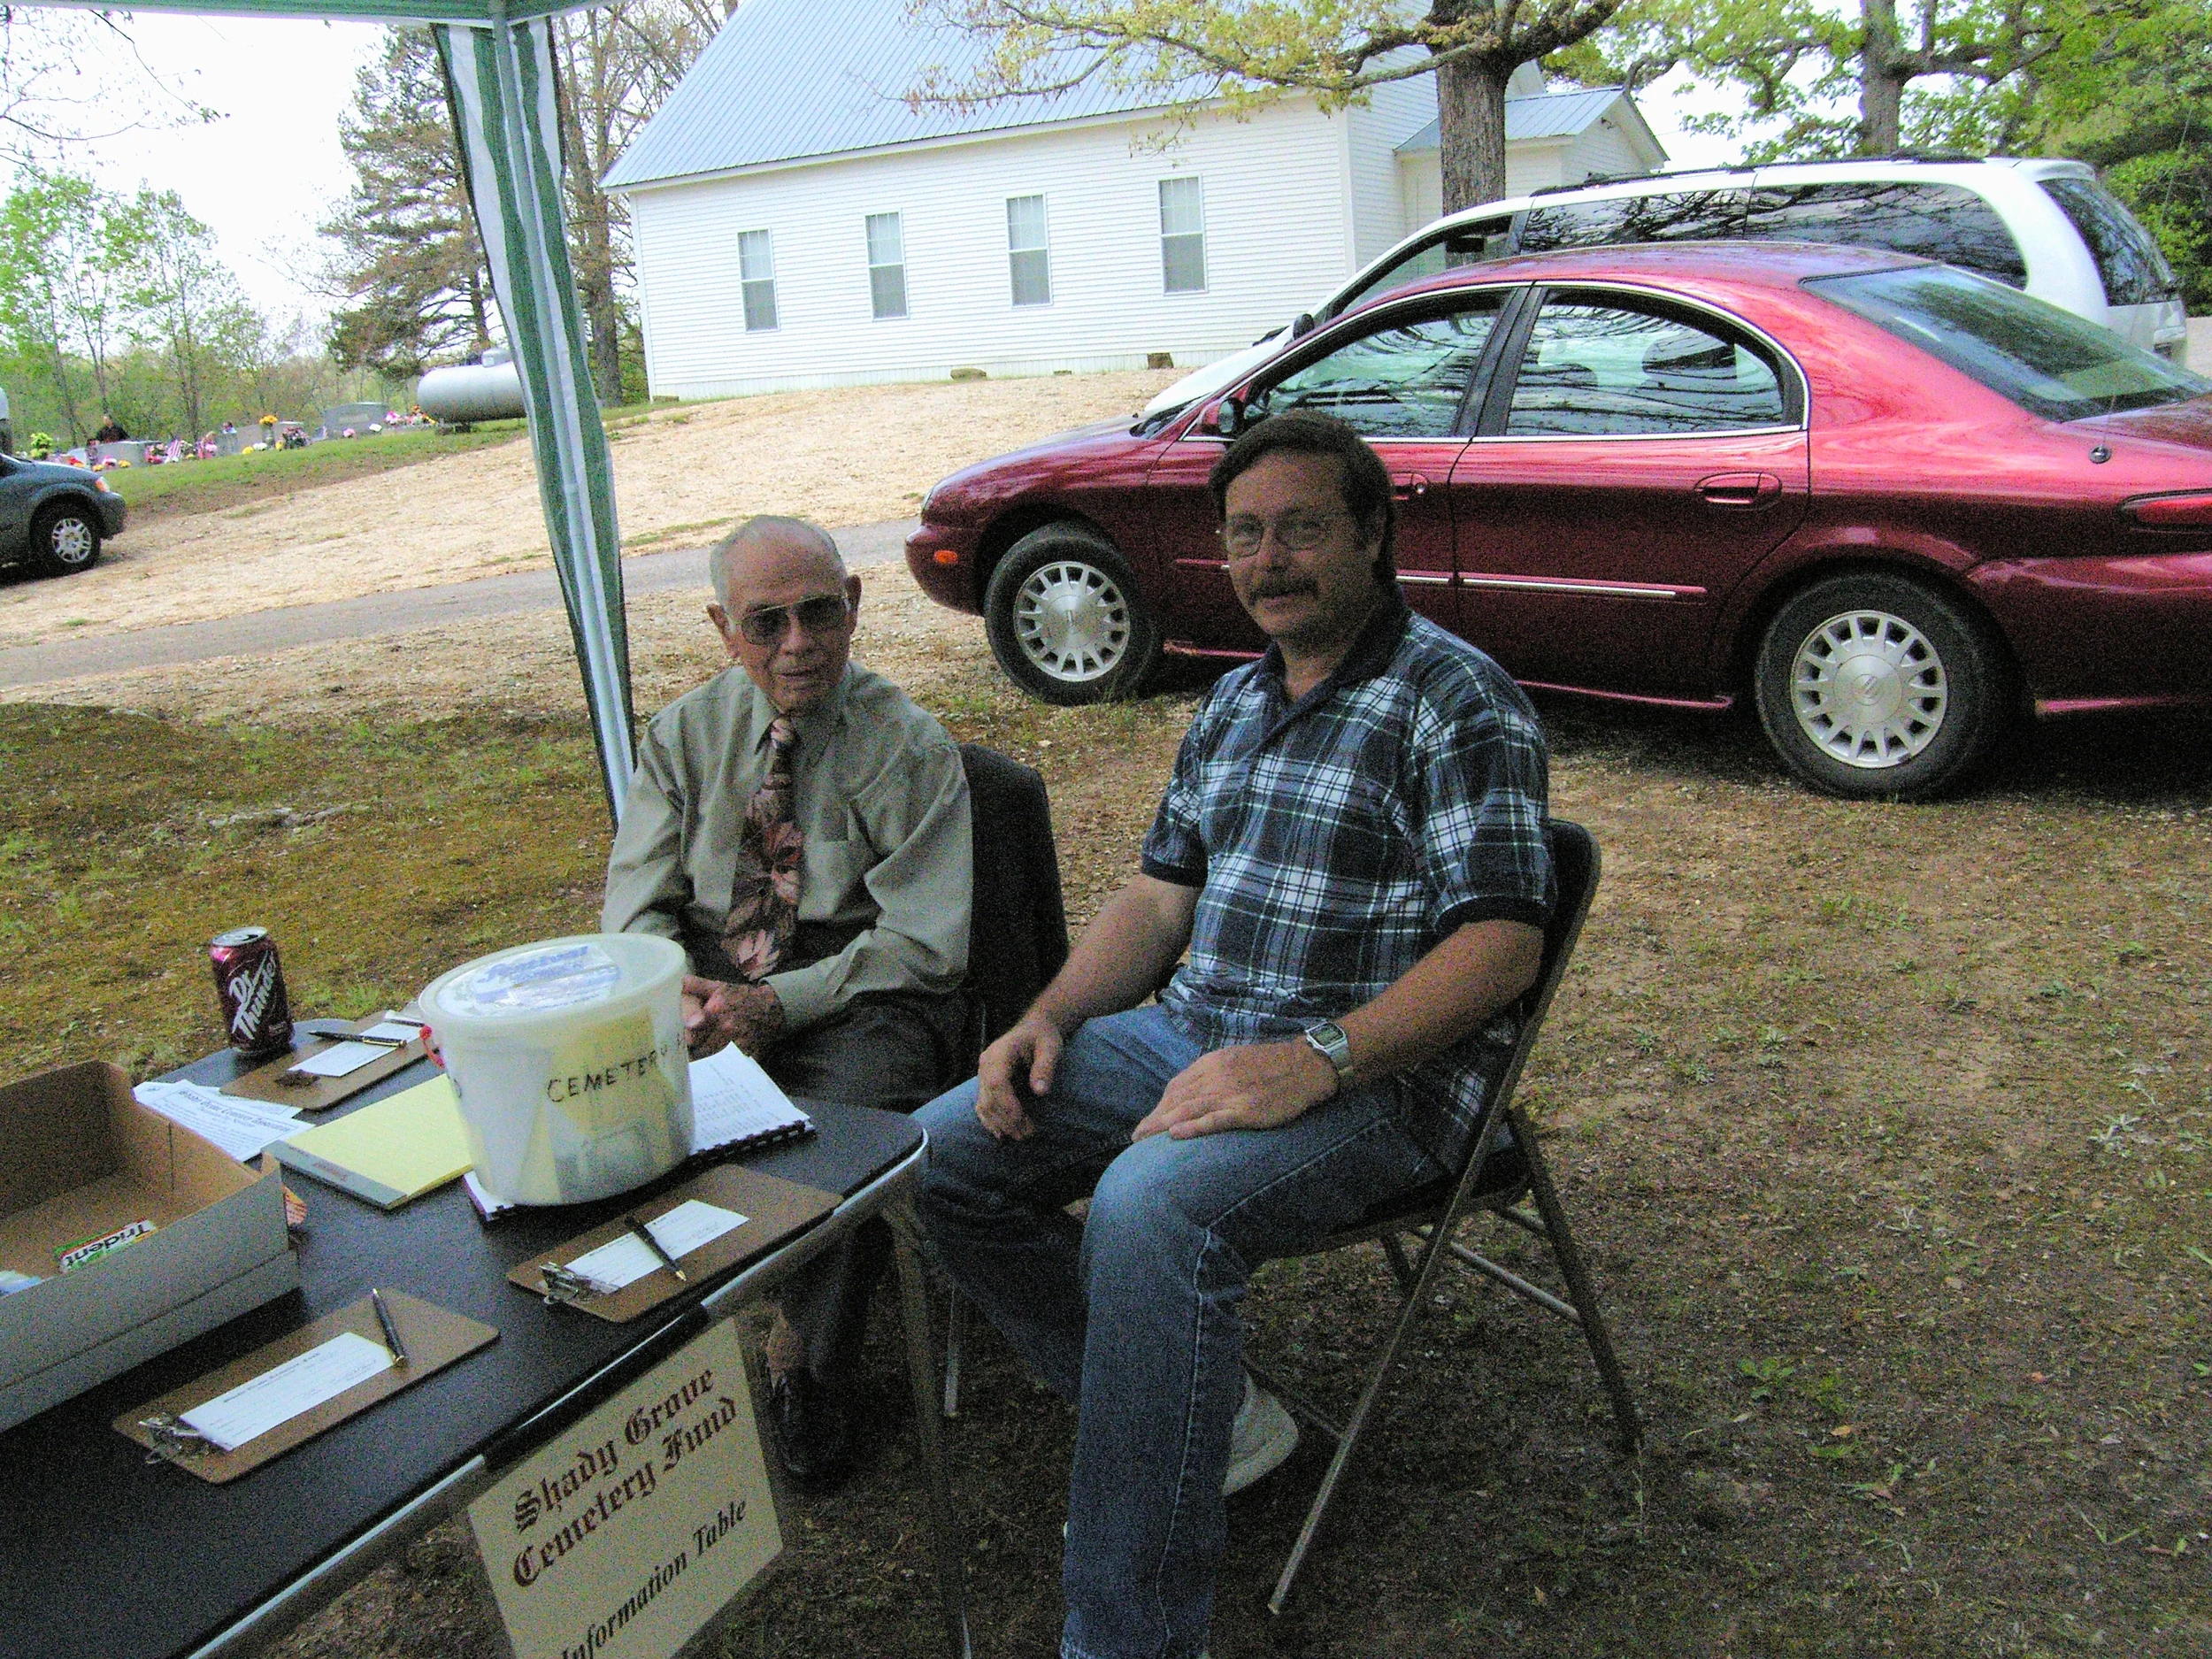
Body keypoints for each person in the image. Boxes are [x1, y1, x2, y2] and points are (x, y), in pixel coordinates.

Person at [916, 412, 1554, 1659]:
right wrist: (1047, 1016)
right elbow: (1161, 898)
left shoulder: (1455, 700)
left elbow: (1504, 946)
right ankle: (1213, 1417)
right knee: (939, 1152)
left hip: (1379, 1080)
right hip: (1195, 1033)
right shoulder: (1232, 701)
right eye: (1246, 534)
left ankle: (1131, 1635)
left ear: (1375, 534)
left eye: (1304, 528)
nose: (1271, 560)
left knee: (1154, 1210)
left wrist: (1313, 1059)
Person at [603, 515, 973, 1486]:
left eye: (818, 613)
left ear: (852, 604)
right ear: (723, 630)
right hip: (712, 962)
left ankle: (804, 1361)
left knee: (840, 1139)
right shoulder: (683, 735)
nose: (797, 644)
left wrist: (781, 1006)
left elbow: (924, 947)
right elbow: (637, 903)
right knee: (600, 1100)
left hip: (861, 981)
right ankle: (613, 1359)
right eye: (766, 624)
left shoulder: (909, 747)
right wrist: (673, 991)